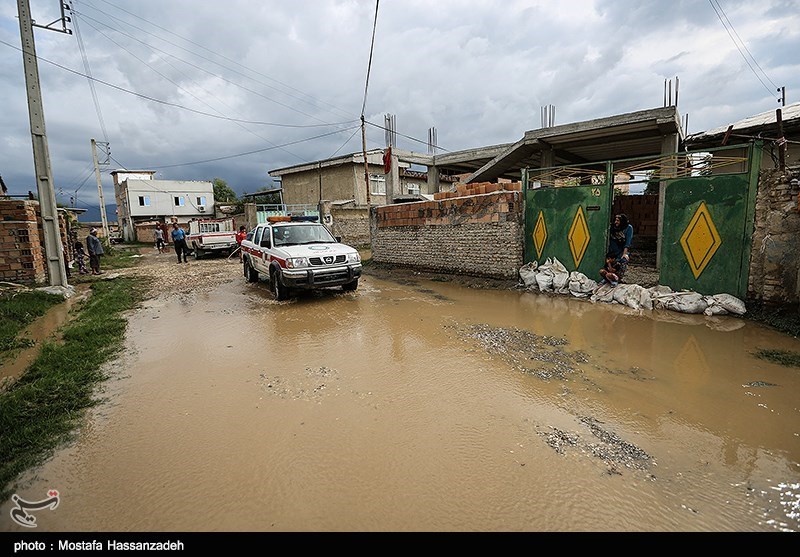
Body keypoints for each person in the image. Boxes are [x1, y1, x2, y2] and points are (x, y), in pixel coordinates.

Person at [603, 213, 633, 282]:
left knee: (623, 261)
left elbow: (627, 242)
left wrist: (624, 254)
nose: (616, 222)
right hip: (613, 249)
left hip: (622, 250)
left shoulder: (628, 228)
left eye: (618, 221)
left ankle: (618, 278)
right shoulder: (612, 227)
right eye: (615, 220)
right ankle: (609, 277)